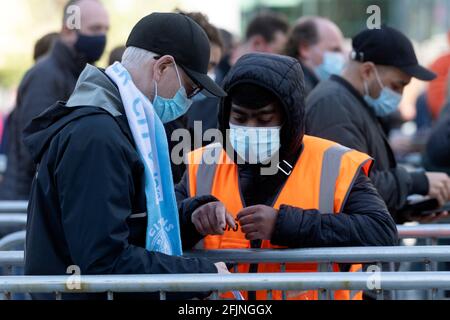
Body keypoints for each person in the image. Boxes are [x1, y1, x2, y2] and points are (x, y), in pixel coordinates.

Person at [23, 12, 228, 300]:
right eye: (189, 89)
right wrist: (198, 275)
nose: (189, 101)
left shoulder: (118, 124)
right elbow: (104, 261)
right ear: (163, 67)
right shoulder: (97, 135)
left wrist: (191, 216)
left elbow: (131, 224)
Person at [176, 53, 398, 300]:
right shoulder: (203, 164)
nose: (250, 128)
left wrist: (284, 224)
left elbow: (381, 232)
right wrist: (192, 217)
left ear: (289, 118)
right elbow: (158, 231)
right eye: (239, 118)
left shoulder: (335, 163)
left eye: (264, 119)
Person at [305, 26, 450, 223]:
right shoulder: (333, 105)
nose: (399, 94)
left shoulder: (351, 101)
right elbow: (351, 186)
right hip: (346, 250)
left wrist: (403, 211)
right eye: (396, 85)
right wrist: (417, 182)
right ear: (367, 71)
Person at [0, 0, 109, 200]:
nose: (102, 37)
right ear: (68, 30)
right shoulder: (45, 75)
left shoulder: (83, 74)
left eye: (105, 29)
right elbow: (36, 145)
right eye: (94, 29)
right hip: (29, 203)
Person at [166, 11, 224, 183]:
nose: (208, 75)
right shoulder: (155, 119)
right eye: (204, 65)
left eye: (213, 66)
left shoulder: (177, 116)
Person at [285, 16, 346, 96]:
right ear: (305, 48)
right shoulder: (299, 92)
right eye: (335, 50)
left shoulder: (311, 86)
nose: (342, 56)